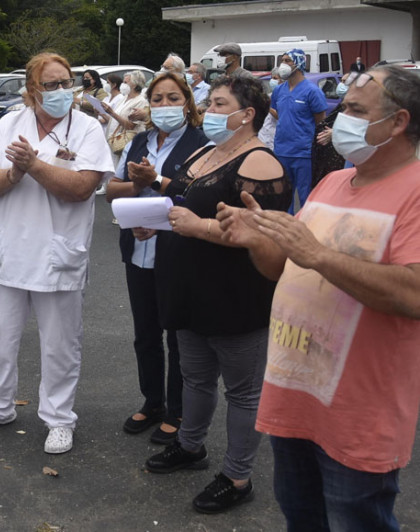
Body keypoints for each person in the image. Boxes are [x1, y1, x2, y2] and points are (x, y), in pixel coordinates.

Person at [217, 64, 420, 530]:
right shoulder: (333, 183)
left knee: (356, 520)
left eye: (353, 109)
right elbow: (284, 267)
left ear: (399, 122)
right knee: (301, 517)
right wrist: (257, 239)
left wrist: (318, 255)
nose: (337, 118)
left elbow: (413, 293)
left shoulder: (414, 190)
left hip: (359, 414)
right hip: (295, 399)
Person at [142, 74, 291, 513]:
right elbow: (185, 201)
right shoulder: (209, 151)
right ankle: (191, 446)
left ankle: (237, 476)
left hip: (234, 294)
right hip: (189, 289)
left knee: (243, 391)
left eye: (219, 104)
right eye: (210, 103)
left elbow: (268, 237)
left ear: (247, 115)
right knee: (195, 377)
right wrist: (160, 215)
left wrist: (198, 227)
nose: (209, 111)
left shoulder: (261, 163)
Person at [0, 52, 114, 454]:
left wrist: (32, 165)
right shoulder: (12, 123)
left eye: (67, 83)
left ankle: (60, 419)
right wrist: (12, 174)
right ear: (31, 91)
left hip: (57, 255)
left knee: (61, 345)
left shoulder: (87, 128)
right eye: (52, 85)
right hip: (10, 254)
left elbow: (82, 188)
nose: (63, 91)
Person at [105, 71, 208, 446]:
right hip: (137, 251)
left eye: (173, 98)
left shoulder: (203, 143)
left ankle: (178, 410)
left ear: (188, 102)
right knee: (145, 334)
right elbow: (110, 192)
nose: (165, 106)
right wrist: (136, 185)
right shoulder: (140, 141)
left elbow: (203, 200)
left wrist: (158, 210)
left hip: (178, 253)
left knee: (179, 337)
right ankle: (153, 402)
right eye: (158, 99)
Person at [271, 49, 327, 211]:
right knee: (283, 196)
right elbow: (277, 113)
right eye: (282, 60)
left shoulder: (312, 91)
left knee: (305, 196)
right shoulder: (279, 90)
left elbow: (320, 122)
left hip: (303, 153)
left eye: (288, 60)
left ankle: (306, 229)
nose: (284, 64)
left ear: (300, 63)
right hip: (281, 150)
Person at [101, 71, 149, 169]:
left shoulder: (140, 101)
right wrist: (102, 112)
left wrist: (112, 113)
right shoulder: (124, 98)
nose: (123, 85)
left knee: (119, 170)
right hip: (113, 140)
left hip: (124, 144)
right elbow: (115, 121)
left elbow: (130, 126)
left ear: (135, 85)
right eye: (123, 82)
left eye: (126, 82)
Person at [257, 68, 281, 150]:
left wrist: (268, 106)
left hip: (275, 141)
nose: (272, 81)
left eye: (275, 78)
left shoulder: (286, 97)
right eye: (272, 78)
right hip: (262, 139)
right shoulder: (269, 96)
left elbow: (280, 116)